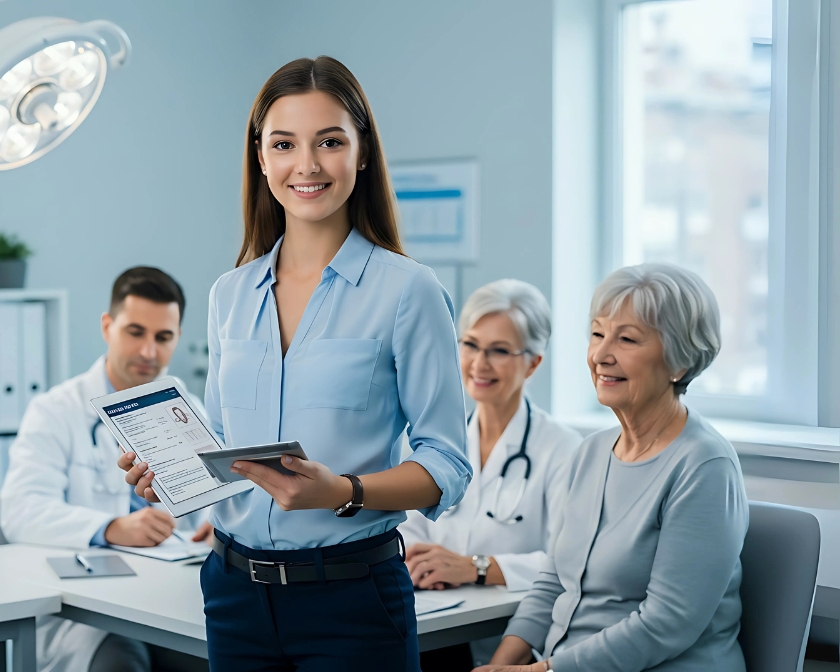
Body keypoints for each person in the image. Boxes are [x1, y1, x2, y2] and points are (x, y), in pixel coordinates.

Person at [119, 56, 471, 672]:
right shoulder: (230, 293)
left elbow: (448, 462)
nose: (306, 165)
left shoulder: (407, 291)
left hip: (352, 603)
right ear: (261, 157)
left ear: (362, 155)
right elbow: (231, 452)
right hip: (235, 596)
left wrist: (344, 491)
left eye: (330, 142)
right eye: (284, 144)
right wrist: (173, 472)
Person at [477, 263, 748, 672]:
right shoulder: (591, 452)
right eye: (598, 333)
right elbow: (553, 583)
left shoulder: (704, 466)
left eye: (626, 339)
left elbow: (666, 624)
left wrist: (545, 671)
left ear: (680, 362)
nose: (601, 355)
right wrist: (499, 666)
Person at [0, 266, 209, 672]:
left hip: (170, 598)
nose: (150, 351)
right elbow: (19, 511)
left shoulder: (188, 411)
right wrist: (111, 528)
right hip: (87, 616)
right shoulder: (55, 410)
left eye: (163, 337)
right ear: (107, 326)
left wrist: (220, 527)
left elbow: (216, 503)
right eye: (135, 332)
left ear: (177, 338)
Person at [401, 280, 582, 671]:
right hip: (440, 625)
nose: (479, 363)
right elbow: (410, 524)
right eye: (470, 344)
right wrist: (418, 562)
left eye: (499, 350)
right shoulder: (438, 442)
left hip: (518, 644)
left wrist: (476, 568)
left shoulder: (563, 450)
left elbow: (570, 564)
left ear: (533, 362)